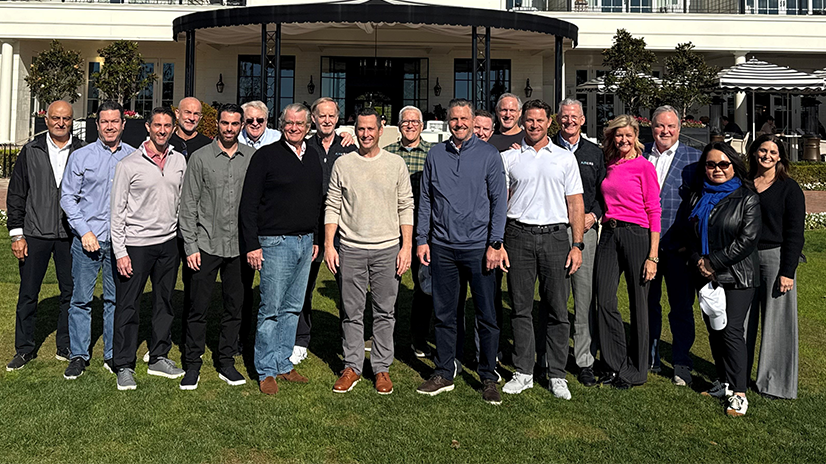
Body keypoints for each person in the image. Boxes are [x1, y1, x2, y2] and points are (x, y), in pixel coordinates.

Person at [415, 99, 507, 405]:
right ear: (448, 122)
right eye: (454, 119)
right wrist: (421, 238)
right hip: (442, 246)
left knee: (487, 315)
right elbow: (426, 198)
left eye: (464, 118)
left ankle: (489, 377)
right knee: (445, 313)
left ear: (472, 120)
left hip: (479, 248)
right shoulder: (435, 155)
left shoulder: (489, 155)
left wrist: (495, 243)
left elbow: (499, 202)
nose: (459, 123)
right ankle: (444, 370)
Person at [324, 108, 414, 394]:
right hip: (350, 248)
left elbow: (406, 206)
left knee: (384, 311)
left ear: (380, 129)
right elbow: (332, 205)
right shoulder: (344, 164)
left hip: (388, 249)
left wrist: (406, 246)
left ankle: (381, 368)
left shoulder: (395, 163)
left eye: (370, 129)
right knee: (351, 311)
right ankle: (352, 365)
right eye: (360, 129)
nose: (365, 134)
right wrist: (329, 244)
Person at [500, 100, 584, 400]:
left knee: (558, 310)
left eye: (540, 120)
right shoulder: (509, 159)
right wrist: (498, 242)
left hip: (555, 238)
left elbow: (575, 203)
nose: (534, 125)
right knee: (521, 308)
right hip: (518, 236)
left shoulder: (564, 159)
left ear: (550, 122)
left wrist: (577, 244)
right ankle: (523, 371)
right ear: (522, 122)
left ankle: (556, 373)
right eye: (529, 121)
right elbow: (501, 203)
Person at [239, 103, 322, 395]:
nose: (295, 128)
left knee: (292, 308)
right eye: (289, 123)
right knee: (271, 309)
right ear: (282, 124)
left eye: (300, 124)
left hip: (305, 242)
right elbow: (248, 204)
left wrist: (317, 238)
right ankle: (265, 369)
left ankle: (283, 362)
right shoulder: (266, 157)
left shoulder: (312, 156)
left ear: (308, 126)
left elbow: (316, 202)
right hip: (274, 243)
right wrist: (252, 245)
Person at [178, 103, 255, 390]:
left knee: (235, 307)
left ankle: (226, 361)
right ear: (218, 125)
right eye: (225, 123)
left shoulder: (252, 158)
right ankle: (193, 363)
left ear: (242, 125)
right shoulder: (200, 159)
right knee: (197, 308)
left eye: (236, 124)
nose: (230, 129)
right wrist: (191, 246)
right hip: (205, 244)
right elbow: (188, 206)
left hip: (238, 247)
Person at [110, 107, 187, 390]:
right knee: (128, 305)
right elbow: (116, 212)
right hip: (136, 245)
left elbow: (181, 202)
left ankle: (158, 356)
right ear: (148, 127)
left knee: (164, 303)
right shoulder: (128, 164)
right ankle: (124, 364)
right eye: (158, 125)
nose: (163, 130)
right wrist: (120, 251)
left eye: (168, 125)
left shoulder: (179, 160)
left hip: (168, 243)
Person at [6, 100, 83, 371]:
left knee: (70, 293)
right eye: (55, 118)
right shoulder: (31, 150)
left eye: (66, 119)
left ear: (73, 121)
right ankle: (24, 349)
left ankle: (66, 344)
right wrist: (17, 234)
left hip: (70, 236)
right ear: (46, 119)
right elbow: (16, 195)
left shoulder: (82, 151)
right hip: (35, 233)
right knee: (28, 293)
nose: (61, 123)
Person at [59, 101, 134, 379]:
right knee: (81, 300)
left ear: (123, 124)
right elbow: (68, 197)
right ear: (97, 124)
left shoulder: (133, 157)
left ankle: (113, 354)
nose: (110, 126)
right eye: (105, 121)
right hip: (87, 241)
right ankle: (79, 355)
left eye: (115, 121)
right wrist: (84, 230)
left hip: (120, 244)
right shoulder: (81, 157)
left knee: (116, 300)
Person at [686, 142, 761, 416]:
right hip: (705, 274)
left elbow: (747, 239)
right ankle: (724, 381)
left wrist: (713, 262)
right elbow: (690, 233)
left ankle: (739, 393)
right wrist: (699, 261)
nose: (717, 169)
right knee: (715, 329)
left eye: (723, 164)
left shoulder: (747, 197)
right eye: (710, 164)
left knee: (731, 331)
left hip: (738, 275)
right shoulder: (698, 196)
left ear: (733, 165)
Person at [596, 115, 661, 390]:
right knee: (604, 298)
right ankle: (614, 363)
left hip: (637, 234)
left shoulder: (644, 167)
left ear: (636, 136)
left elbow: (654, 210)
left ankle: (637, 370)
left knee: (639, 303)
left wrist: (652, 256)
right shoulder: (608, 164)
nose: (623, 140)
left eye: (628, 135)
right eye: (618, 135)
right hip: (610, 233)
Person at [292, 97, 357, 366]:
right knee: (303, 286)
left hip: (344, 228)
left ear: (337, 118)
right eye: (322, 116)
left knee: (348, 289)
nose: (327, 120)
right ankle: (300, 340)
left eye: (331, 116)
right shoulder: (304, 147)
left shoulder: (349, 147)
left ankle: (349, 343)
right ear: (314, 120)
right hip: (311, 227)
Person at [642, 105, 702, 386]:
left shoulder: (694, 160)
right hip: (646, 249)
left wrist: (690, 244)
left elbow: (702, 206)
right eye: (659, 126)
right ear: (651, 127)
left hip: (678, 249)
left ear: (679, 128)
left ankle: (681, 362)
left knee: (680, 308)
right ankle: (650, 357)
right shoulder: (639, 155)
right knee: (647, 305)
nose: (665, 131)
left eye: (671, 127)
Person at [745, 134, 805, 400]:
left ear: (780, 156)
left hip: (775, 258)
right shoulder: (745, 184)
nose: (766, 155)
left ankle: (775, 383)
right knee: (741, 320)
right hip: (744, 258)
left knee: (777, 323)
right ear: (754, 152)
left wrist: (787, 271)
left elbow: (795, 233)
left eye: (772, 151)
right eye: (762, 150)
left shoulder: (789, 188)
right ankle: (735, 375)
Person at [552, 98, 605, 388]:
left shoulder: (594, 153)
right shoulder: (546, 149)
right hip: (554, 232)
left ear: (583, 120)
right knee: (554, 299)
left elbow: (603, 192)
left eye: (574, 116)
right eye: (564, 116)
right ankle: (553, 356)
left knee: (583, 299)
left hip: (585, 233)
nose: (569, 121)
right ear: (557, 119)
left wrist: (594, 215)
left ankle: (584, 359)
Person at [384, 105, 434, 358]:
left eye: (415, 122)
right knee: (385, 285)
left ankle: (419, 337)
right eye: (405, 122)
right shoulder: (387, 154)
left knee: (424, 286)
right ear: (399, 125)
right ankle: (381, 333)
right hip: (391, 228)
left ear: (422, 126)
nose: (410, 126)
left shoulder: (435, 154)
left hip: (423, 230)